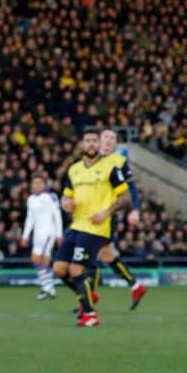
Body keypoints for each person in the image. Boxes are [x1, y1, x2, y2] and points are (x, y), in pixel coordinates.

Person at [53, 132, 130, 327]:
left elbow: (124, 197)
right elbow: (66, 197)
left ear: (99, 144)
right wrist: (65, 204)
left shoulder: (111, 168)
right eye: (87, 140)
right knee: (59, 269)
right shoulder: (74, 170)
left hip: (96, 228)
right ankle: (87, 293)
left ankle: (90, 314)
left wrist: (106, 213)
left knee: (75, 269)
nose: (91, 144)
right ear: (82, 144)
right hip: (76, 226)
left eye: (94, 140)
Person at [94, 128, 148, 310]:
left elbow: (131, 187)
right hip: (91, 214)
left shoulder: (119, 161)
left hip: (108, 214)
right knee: (108, 256)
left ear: (115, 142)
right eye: (106, 137)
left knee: (90, 253)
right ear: (100, 139)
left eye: (112, 138)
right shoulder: (90, 159)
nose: (108, 140)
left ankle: (89, 298)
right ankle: (136, 286)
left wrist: (135, 210)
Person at [20, 174, 63, 300]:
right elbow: (30, 219)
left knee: (37, 259)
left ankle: (47, 287)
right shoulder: (31, 199)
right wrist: (25, 236)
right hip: (37, 235)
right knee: (42, 261)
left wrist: (59, 234)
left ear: (44, 184)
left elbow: (57, 215)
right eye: (34, 183)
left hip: (49, 233)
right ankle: (49, 289)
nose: (36, 185)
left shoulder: (50, 197)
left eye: (39, 183)